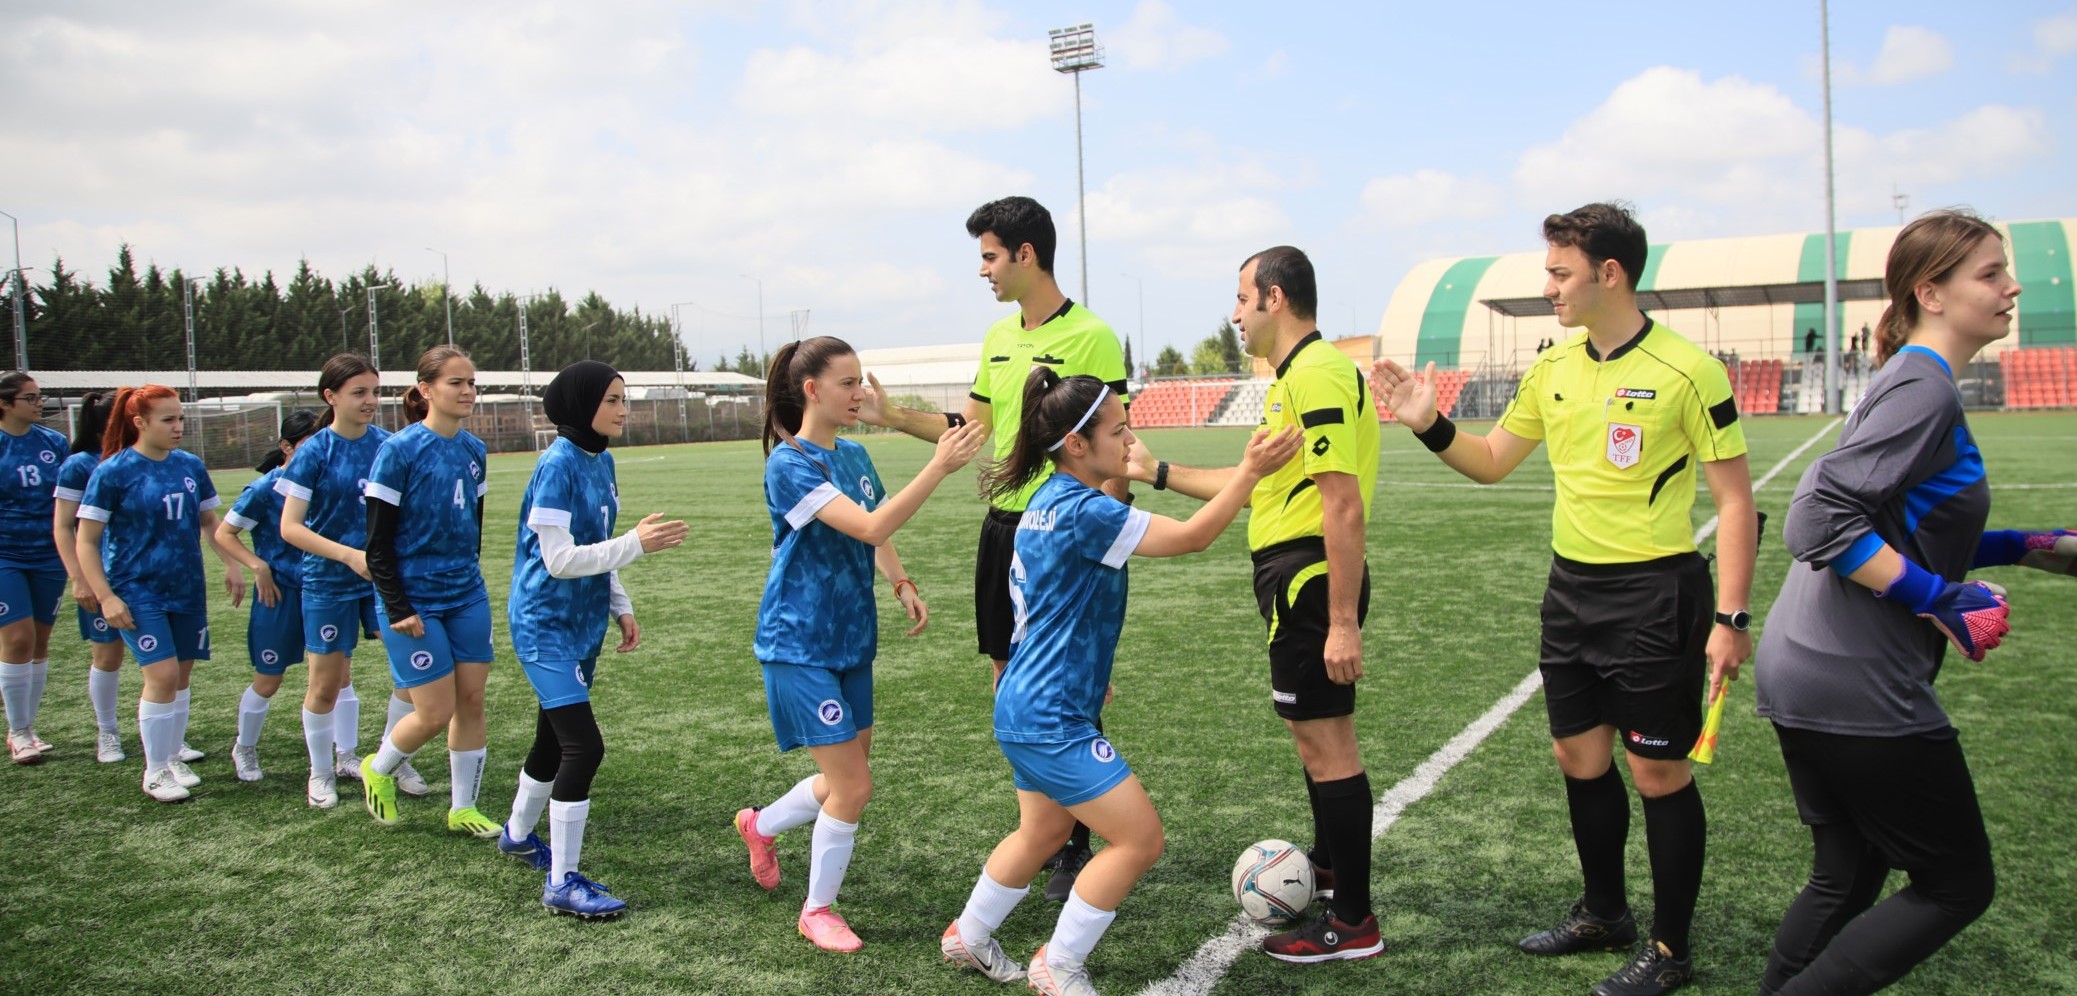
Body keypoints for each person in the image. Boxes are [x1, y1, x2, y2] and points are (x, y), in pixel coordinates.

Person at [1374, 203, 1756, 996]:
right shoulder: (1551, 367)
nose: (1547, 286)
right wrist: (1427, 423)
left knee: (1657, 775)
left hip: (1656, 595)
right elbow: (1490, 462)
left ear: (1607, 274)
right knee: (1577, 758)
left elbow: (1733, 502)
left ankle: (1669, 949)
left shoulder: (1690, 370)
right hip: (1570, 591)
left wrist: (1729, 618)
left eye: (1559, 272)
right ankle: (1604, 913)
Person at [1753, 209, 2063, 996]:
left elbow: (1908, 522)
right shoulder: (1922, 387)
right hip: (1855, 681)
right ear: (1930, 290)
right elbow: (1815, 520)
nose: (2011, 285)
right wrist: (1940, 599)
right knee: (1957, 884)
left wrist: (2023, 545)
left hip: (1801, 667)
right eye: (1989, 273)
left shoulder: (1909, 379)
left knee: (1847, 872)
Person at [941, 370, 1299, 993]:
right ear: (1077, 445)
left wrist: (1089, 673)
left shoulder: (1047, 502)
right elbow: (1191, 537)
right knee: (1139, 839)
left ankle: (969, 936)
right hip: (1050, 713)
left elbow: (1061, 603)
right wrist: (1249, 471)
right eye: (1118, 428)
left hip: (1026, 701)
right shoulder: (1084, 512)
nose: (1131, 437)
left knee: (1044, 830)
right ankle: (1059, 964)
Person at [856, 196, 1132, 900]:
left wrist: (1107, 546)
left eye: (988, 255)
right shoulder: (996, 338)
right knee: (1009, 680)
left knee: (1063, 681)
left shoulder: (1093, 336)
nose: (981, 270)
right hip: (1002, 527)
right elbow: (969, 430)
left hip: (1066, 531)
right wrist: (891, 416)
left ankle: (1074, 842)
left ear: (1025, 254)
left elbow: (1116, 448)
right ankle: (1038, 829)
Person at [1124, 247, 1387, 964]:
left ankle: (1353, 923)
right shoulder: (1293, 379)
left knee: (1325, 743)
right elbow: (1254, 487)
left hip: (1309, 577)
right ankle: (1331, 871)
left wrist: (1338, 620)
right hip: (1292, 573)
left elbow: (1342, 503)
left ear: (1273, 298)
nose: (1234, 314)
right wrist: (1158, 472)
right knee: (1311, 733)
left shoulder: (1320, 374)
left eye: (1240, 299)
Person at [734, 336, 985, 951]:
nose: (861, 394)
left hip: (852, 639)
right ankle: (817, 910)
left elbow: (877, 533)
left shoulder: (851, 457)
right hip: (798, 643)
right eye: (848, 384)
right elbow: (872, 522)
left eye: (861, 382)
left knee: (846, 775)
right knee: (853, 786)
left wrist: (901, 583)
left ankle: (760, 825)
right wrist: (938, 464)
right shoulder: (789, 464)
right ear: (812, 391)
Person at [497, 361, 688, 919]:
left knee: (552, 742)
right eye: (612, 400)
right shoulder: (557, 464)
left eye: (623, 398)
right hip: (544, 624)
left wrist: (620, 605)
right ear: (583, 405)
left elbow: (597, 546)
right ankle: (562, 882)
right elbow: (557, 561)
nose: (623, 409)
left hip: (582, 624)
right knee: (585, 746)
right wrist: (635, 545)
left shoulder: (600, 461)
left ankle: (515, 834)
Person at [357, 346, 500, 838]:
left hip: (466, 593)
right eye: (455, 383)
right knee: (434, 712)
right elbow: (375, 543)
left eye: (471, 383)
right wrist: (397, 605)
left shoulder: (474, 451)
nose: (467, 392)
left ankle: (463, 807)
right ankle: (378, 767)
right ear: (425, 389)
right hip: (412, 600)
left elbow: (472, 527)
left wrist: (468, 577)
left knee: (472, 701)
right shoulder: (398, 451)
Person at [74, 385, 242, 802]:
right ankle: (153, 772)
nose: (178, 426)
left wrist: (232, 563)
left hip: (186, 587)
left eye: (180, 418)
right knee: (162, 675)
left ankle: (169, 757)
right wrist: (106, 595)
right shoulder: (113, 471)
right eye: (168, 419)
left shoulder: (189, 465)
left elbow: (209, 524)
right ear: (139, 423)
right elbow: (86, 540)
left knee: (181, 676)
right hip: (137, 589)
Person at [277, 354, 427, 809]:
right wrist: (348, 555)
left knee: (410, 673)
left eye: (374, 392)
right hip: (327, 581)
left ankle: (390, 758)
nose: (370, 401)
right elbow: (291, 527)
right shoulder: (313, 453)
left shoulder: (389, 445)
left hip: (384, 581)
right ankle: (320, 772)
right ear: (331, 396)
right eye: (358, 392)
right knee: (325, 684)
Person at [212, 410, 321, 781]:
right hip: (279, 594)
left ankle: (345, 755)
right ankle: (244, 747)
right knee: (269, 677)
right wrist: (258, 567)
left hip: (323, 590)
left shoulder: (327, 481)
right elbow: (224, 534)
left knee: (336, 677)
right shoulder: (265, 489)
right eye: (309, 441)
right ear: (286, 447)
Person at [53, 392, 129, 763]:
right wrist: (79, 578)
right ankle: (108, 732)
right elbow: (66, 527)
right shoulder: (80, 465)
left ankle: (171, 736)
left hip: (141, 577)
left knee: (166, 662)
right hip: (101, 575)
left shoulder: (138, 461)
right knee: (107, 655)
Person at [0, 372, 68, 763]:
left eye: (39, 396)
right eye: (30, 397)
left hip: (48, 554)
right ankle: (19, 732)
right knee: (19, 638)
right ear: (6, 403)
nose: (39, 403)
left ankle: (28, 725)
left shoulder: (53, 443)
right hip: (5, 555)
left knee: (40, 642)